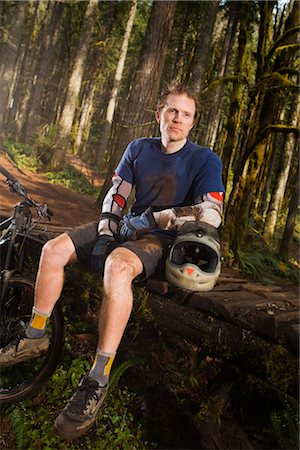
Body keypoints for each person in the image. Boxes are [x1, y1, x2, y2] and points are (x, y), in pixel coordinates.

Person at [0, 81, 224, 440]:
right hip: (124, 228)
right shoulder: (139, 148)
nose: (177, 118)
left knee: (118, 267)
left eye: (185, 114)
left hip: (158, 239)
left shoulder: (204, 159)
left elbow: (210, 212)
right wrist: (106, 229)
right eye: (172, 110)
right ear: (159, 114)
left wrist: (154, 219)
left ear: (193, 122)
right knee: (53, 249)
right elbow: (117, 192)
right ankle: (35, 334)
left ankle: (98, 377)